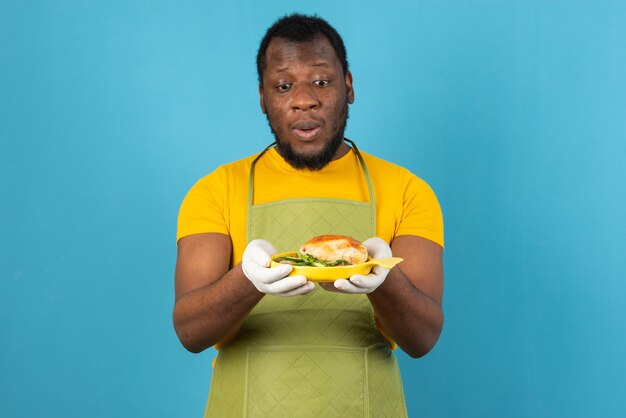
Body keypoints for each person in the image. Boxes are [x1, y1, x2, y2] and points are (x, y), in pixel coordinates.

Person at [173, 13, 444, 417]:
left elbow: (423, 338)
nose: (304, 99)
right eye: (284, 86)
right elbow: (190, 332)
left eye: (321, 81)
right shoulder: (215, 190)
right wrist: (246, 280)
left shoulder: (406, 190)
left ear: (348, 87)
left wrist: (382, 280)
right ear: (263, 97)